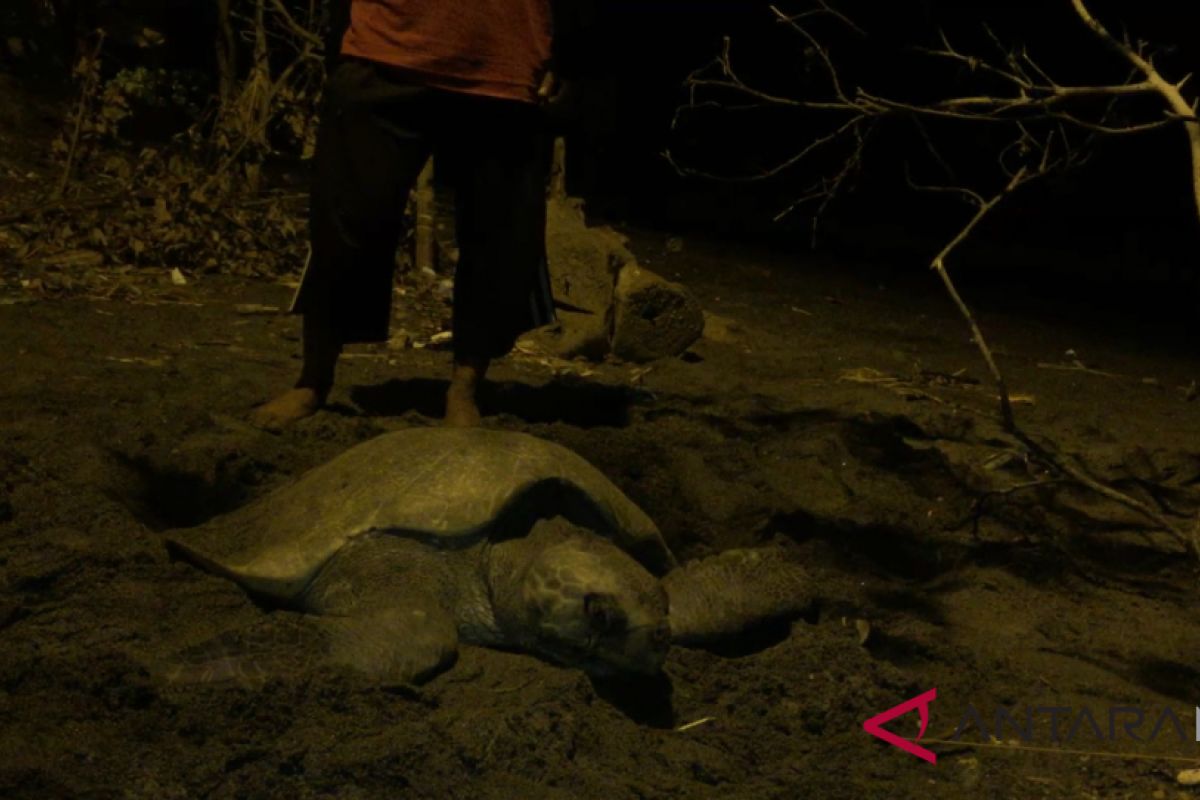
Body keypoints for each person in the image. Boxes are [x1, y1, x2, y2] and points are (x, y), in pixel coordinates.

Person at [251, 0, 587, 430]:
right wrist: (341, 43)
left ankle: (464, 388)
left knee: (500, 237)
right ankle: (313, 381)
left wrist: (570, 56)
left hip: (507, 61)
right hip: (385, 45)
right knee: (348, 219)